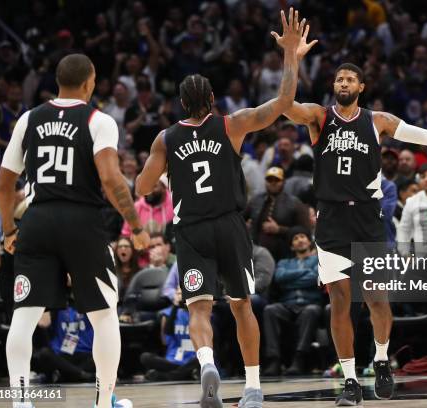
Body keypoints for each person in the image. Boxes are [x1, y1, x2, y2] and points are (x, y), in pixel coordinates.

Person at [284, 62, 427, 405]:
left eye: (350, 78)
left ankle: (381, 359)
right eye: (339, 78)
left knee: (377, 299)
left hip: (367, 218)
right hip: (332, 219)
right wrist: (291, 57)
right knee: (340, 303)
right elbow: (284, 104)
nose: (343, 82)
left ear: (361, 87)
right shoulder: (319, 117)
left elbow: (424, 136)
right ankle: (350, 380)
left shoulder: (376, 121)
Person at [134, 8, 316, 408]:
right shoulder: (232, 124)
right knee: (241, 307)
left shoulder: (166, 139)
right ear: (213, 100)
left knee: (198, 310)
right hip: (231, 226)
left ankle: (206, 363)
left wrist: (167, 176)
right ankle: (252, 388)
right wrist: (290, 55)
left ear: (181, 104)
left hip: (192, 231)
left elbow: (142, 186)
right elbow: (285, 100)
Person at [0, 54, 150, 408]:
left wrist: (8, 229)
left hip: (37, 220)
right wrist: (136, 225)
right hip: (81, 221)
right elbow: (111, 179)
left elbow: (4, 185)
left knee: (25, 315)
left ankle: (20, 401)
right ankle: (103, 402)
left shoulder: (28, 119)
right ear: (90, 82)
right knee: (104, 314)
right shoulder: (99, 120)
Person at [262, 227, 322, 376]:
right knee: (270, 310)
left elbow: (316, 277)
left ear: (309, 241)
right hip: (287, 304)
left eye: (302, 236)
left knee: (311, 311)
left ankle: (299, 358)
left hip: (310, 303)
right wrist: (306, 276)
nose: (300, 240)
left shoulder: (318, 260)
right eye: (295, 239)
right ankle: (274, 360)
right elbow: (279, 277)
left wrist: (291, 280)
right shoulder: (284, 262)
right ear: (291, 246)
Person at [244, 166, 311, 261]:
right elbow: (239, 219)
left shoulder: (295, 203)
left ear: (283, 182)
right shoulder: (256, 200)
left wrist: (279, 229)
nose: (273, 183)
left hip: (286, 255)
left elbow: (305, 231)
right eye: (269, 180)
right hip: (256, 251)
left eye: (277, 180)